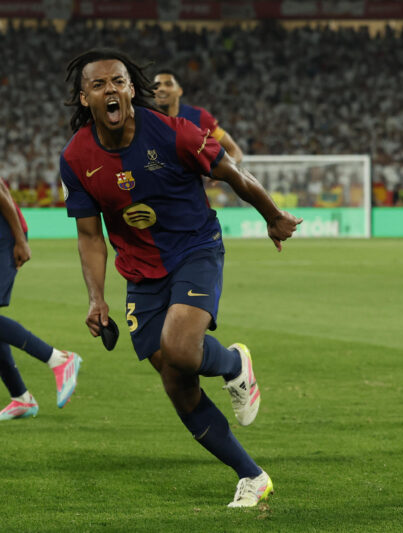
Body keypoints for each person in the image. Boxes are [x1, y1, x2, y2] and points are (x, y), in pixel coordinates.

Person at [60, 48, 302, 507]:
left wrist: (272, 215)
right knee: (176, 381)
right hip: (139, 272)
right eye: (99, 84)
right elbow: (90, 235)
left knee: (180, 347)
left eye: (118, 81)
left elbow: (230, 171)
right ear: (84, 97)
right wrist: (97, 298)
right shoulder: (76, 158)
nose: (110, 89)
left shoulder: (172, 133)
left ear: (132, 89)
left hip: (195, 249)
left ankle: (233, 364)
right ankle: (251, 476)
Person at [0, 178, 82, 421]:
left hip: (4, 234)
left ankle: (59, 359)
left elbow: (1, 191)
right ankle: (22, 399)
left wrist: (20, 240)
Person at [152, 68, 244, 163]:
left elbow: (235, 151)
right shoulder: (144, 118)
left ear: (179, 91)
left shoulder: (198, 116)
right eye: (156, 86)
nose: (161, 89)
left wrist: (220, 175)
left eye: (168, 84)